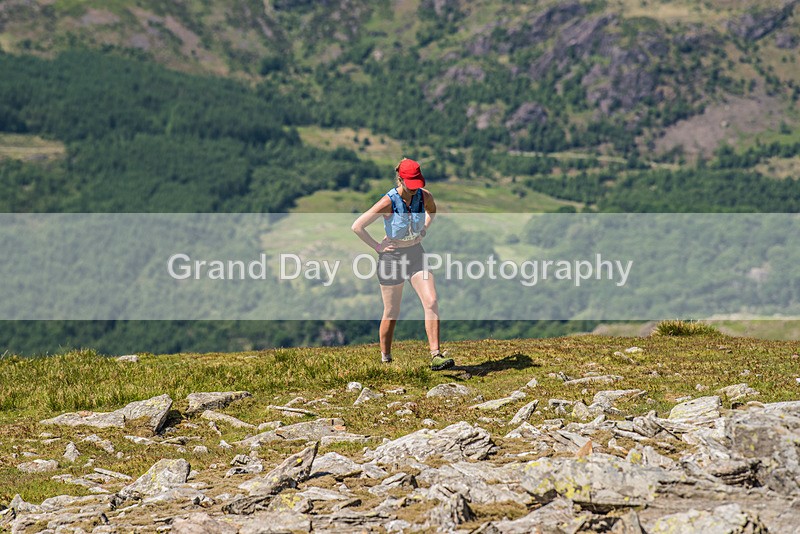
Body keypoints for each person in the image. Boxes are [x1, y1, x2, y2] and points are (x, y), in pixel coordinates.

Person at [351, 158, 455, 371]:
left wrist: (423, 229)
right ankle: (386, 358)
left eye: (418, 182)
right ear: (400, 179)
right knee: (392, 311)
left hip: (416, 253)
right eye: (411, 183)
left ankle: (436, 355)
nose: (416, 187)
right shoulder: (388, 202)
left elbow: (432, 211)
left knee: (432, 300)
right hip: (392, 259)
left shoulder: (424, 197)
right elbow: (357, 226)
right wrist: (378, 248)